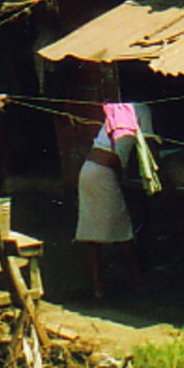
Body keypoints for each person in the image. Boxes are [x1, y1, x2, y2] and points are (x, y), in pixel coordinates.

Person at [75, 114, 144, 298]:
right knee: (121, 228)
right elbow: (150, 145)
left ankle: (98, 284)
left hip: (88, 169)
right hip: (102, 173)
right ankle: (137, 281)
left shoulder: (117, 111)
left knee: (92, 229)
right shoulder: (141, 110)